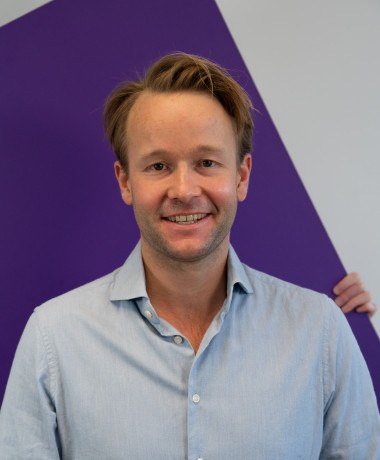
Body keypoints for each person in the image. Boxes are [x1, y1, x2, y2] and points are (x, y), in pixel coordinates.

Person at [0, 52, 379, 459]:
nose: (183, 190)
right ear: (125, 181)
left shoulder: (321, 332)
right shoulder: (52, 340)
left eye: (206, 162)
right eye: (159, 165)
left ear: (242, 176)